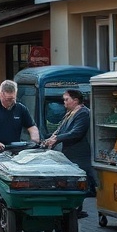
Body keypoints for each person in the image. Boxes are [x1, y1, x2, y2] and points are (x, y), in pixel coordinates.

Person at [0, 80, 40, 232]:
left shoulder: (21, 109)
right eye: (8, 99)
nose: (10, 101)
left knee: (11, 186)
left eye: (13, 98)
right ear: (1, 94)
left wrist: (35, 139)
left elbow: (32, 127)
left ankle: (11, 216)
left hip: (13, 156)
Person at [42, 88, 96, 216]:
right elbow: (61, 129)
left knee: (77, 182)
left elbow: (76, 132)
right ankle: (73, 208)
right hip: (69, 154)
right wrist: (49, 138)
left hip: (79, 154)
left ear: (76, 100)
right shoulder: (70, 113)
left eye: (66, 100)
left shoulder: (83, 113)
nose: (64, 103)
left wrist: (57, 138)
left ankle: (77, 209)